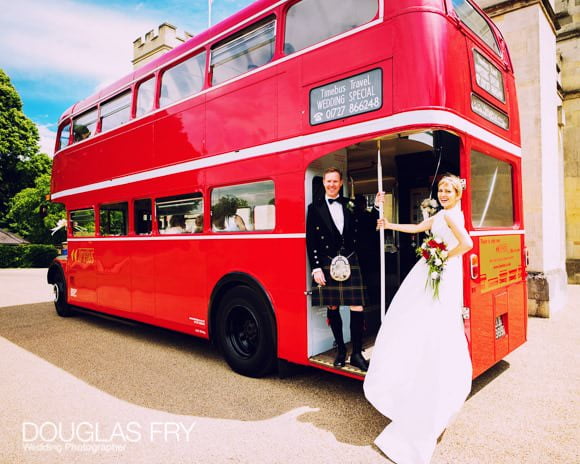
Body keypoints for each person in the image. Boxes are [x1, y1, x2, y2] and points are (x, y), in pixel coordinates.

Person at [363, 174, 473, 464]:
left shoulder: (452, 218)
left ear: (458, 193)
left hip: (439, 271)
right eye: (441, 189)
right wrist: (389, 224)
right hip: (431, 271)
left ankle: (427, 394)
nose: (444, 193)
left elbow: (467, 244)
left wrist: (441, 256)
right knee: (416, 324)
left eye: (449, 190)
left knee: (427, 326)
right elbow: (417, 227)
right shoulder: (442, 214)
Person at [306, 167, 379, 372]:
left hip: (350, 259)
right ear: (324, 183)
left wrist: (377, 208)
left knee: (357, 307)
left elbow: (367, 225)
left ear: (340, 183)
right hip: (328, 261)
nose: (331, 185)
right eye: (328, 181)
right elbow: (311, 241)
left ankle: (356, 353)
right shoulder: (314, 208)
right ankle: (340, 351)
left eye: (335, 181)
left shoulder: (351, 204)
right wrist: (316, 268)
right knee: (333, 307)